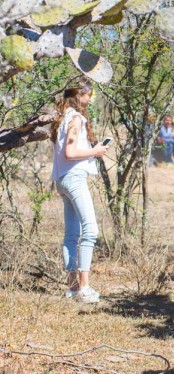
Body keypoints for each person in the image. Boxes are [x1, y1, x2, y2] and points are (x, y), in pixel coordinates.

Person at [51, 80, 110, 303]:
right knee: (91, 230)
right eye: (89, 95)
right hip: (74, 178)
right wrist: (95, 151)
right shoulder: (75, 117)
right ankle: (84, 288)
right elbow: (70, 152)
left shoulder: (61, 116)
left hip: (62, 179)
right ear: (81, 95)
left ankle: (73, 288)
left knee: (72, 234)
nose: (91, 99)